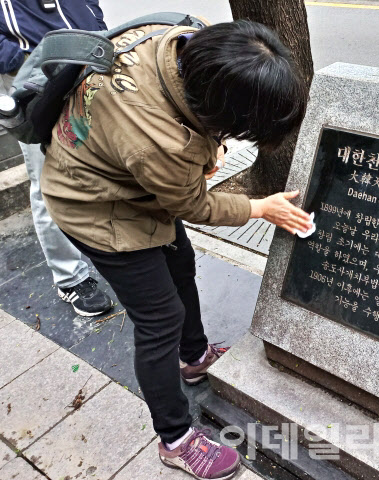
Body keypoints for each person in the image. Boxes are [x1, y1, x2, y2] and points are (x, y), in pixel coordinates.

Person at [41, 19, 311, 480]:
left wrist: (212, 146)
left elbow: (184, 163)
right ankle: (176, 439)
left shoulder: (183, 38)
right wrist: (259, 207)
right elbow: (194, 204)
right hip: (96, 208)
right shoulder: (160, 142)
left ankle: (194, 357)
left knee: (181, 263)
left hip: (126, 180)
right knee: (158, 318)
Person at [0, 0, 112, 316]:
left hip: (85, 58)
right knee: (49, 174)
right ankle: (70, 278)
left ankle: (111, 245)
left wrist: (95, 26)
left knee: (101, 155)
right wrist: (17, 59)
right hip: (32, 68)